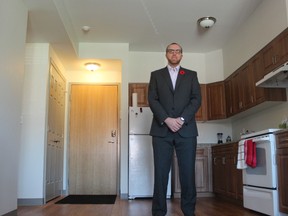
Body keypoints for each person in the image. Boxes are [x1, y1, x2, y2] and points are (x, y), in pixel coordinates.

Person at [148, 42, 201, 216]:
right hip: (161, 131)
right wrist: (166, 119)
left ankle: (189, 211)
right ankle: (158, 212)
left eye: (178, 51)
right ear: (166, 54)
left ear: (181, 55)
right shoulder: (156, 75)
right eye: (171, 51)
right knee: (161, 173)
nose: (174, 54)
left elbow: (196, 100)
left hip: (186, 131)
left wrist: (181, 119)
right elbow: (152, 100)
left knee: (187, 173)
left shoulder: (191, 75)